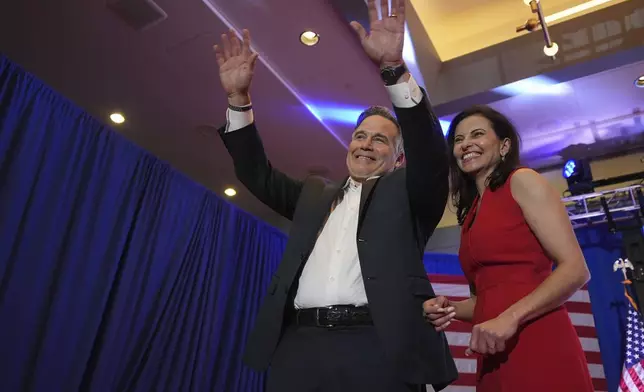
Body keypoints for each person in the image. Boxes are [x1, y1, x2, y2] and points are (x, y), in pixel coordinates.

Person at [212, 0, 457, 391]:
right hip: (299, 347)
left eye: (380, 140)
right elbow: (256, 174)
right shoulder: (313, 195)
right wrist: (239, 101)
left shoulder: (411, 193)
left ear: (397, 160)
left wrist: (393, 70)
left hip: (376, 348)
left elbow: (430, 152)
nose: (365, 144)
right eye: (360, 136)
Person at [424, 105, 594, 391]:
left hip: (536, 338)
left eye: (477, 134)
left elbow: (576, 269)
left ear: (504, 145)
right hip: (493, 349)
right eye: (458, 139)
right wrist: (449, 309)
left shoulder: (523, 180)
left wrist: (510, 318)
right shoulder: (470, 213)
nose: (466, 144)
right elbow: (483, 300)